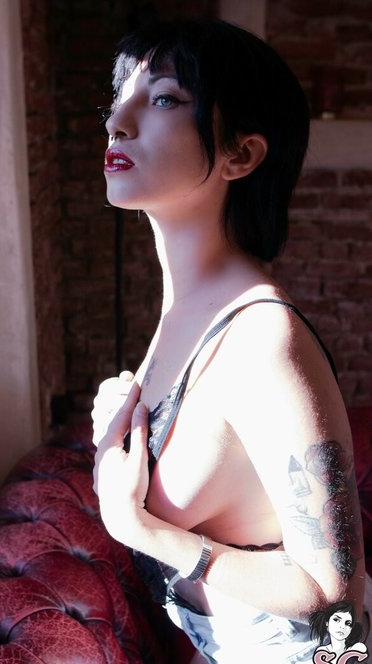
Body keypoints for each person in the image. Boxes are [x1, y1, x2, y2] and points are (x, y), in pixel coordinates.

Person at [91, 18, 369, 663]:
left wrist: (138, 527)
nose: (117, 124)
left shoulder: (263, 339)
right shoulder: (188, 309)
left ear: (239, 154)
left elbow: (335, 598)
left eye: (164, 99)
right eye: (118, 99)